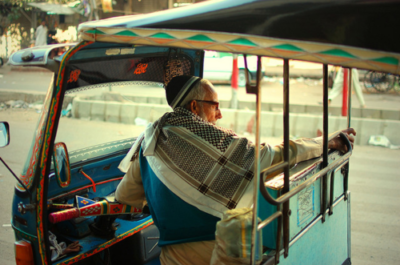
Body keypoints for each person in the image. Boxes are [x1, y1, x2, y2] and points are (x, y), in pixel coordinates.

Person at [115, 75, 356, 265]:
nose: (219, 114)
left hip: (172, 255)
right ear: (194, 106)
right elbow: (272, 155)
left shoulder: (151, 140)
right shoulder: (216, 142)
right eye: (215, 106)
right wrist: (325, 143)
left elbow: (126, 196)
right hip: (221, 250)